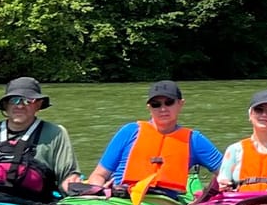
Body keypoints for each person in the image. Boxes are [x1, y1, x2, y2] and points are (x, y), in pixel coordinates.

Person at [83, 80, 223, 197]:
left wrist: (210, 195)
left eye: (169, 102)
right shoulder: (129, 132)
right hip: (122, 198)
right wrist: (97, 194)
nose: (163, 109)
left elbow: (226, 175)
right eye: (156, 104)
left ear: (180, 104)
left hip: (163, 203)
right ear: (149, 107)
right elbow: (99, 175)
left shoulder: (194, 140)